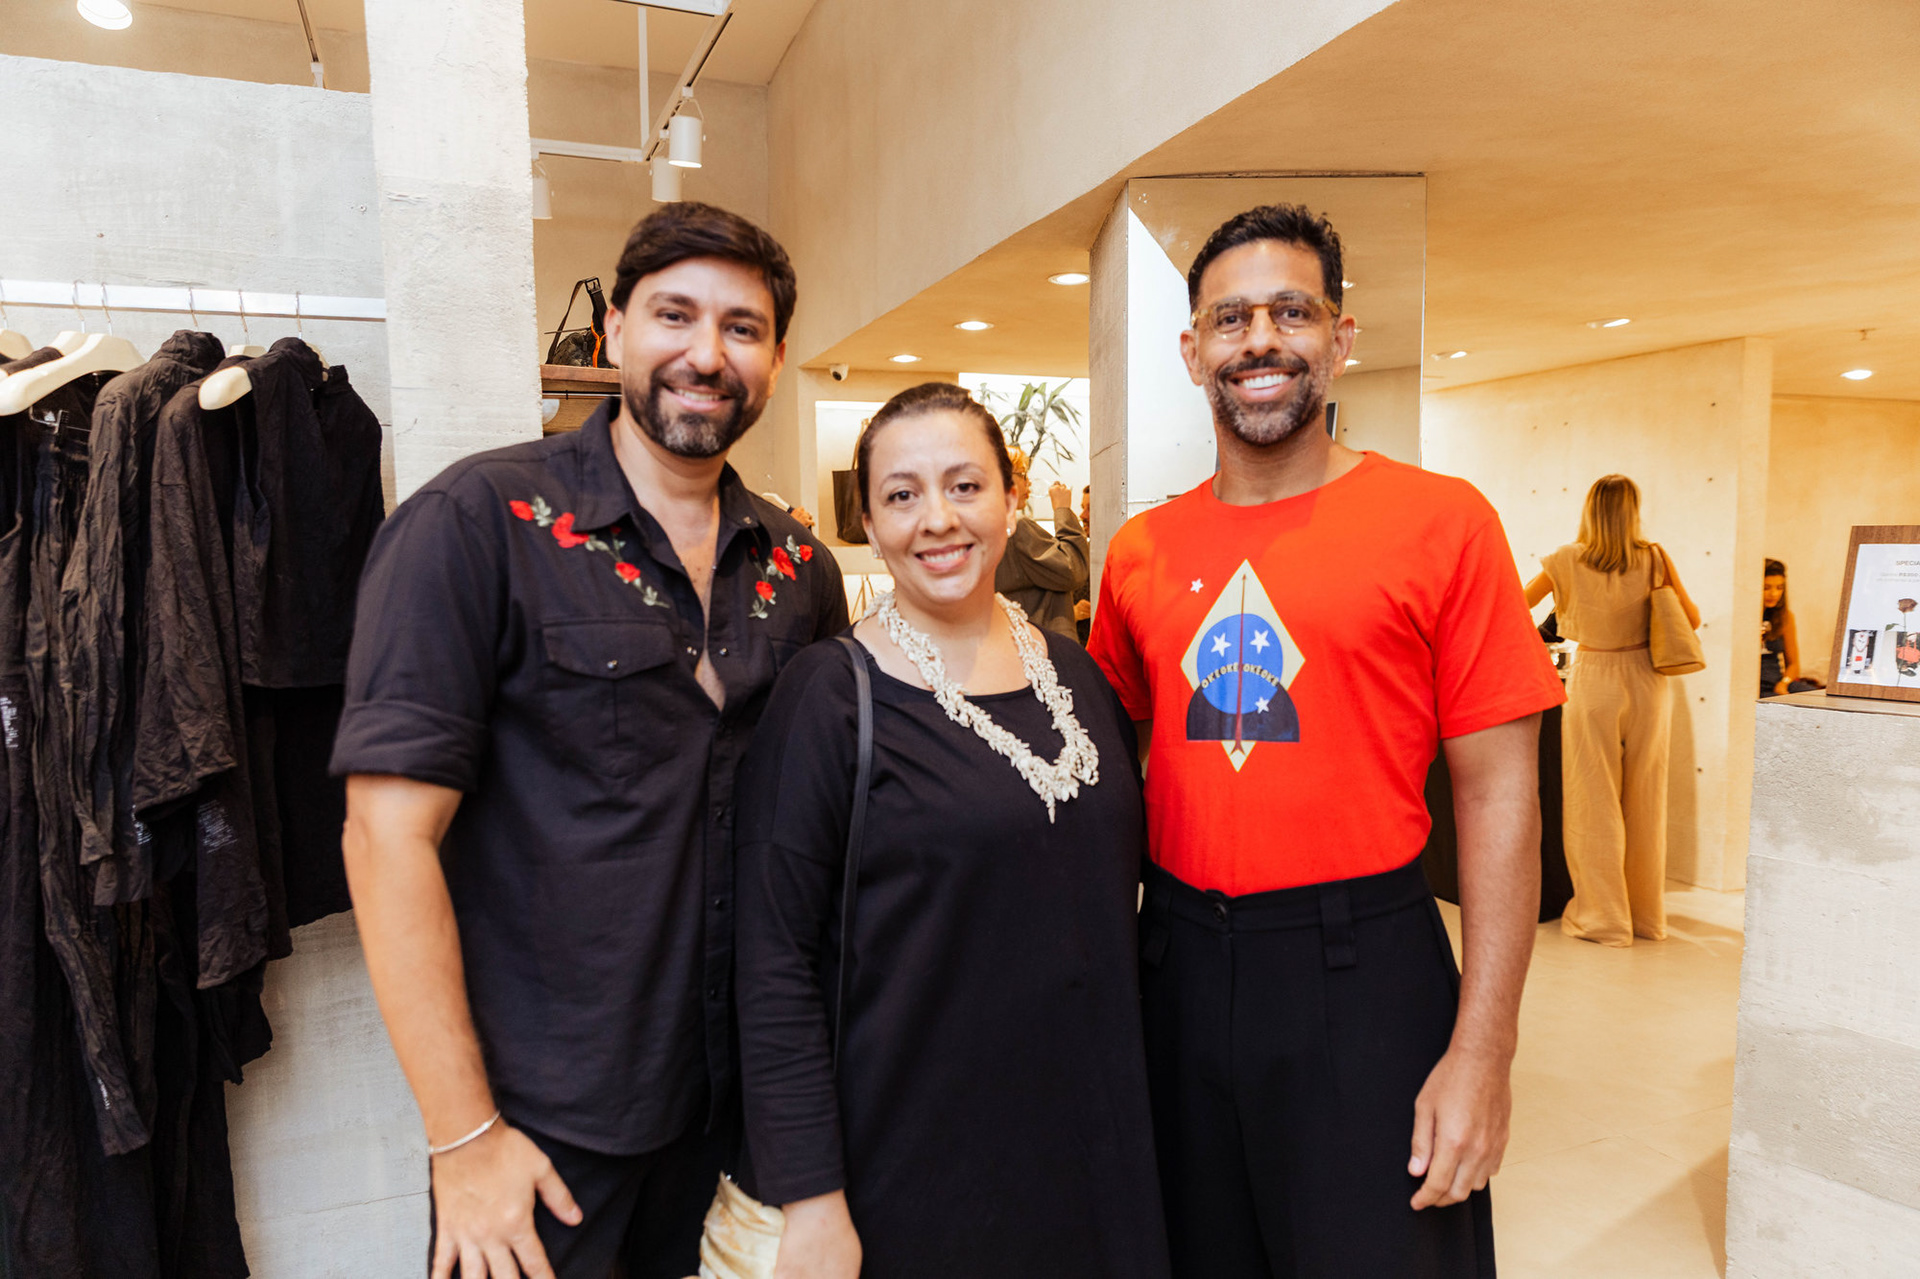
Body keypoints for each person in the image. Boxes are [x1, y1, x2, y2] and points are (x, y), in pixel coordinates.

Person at [331, 203, 848, 1279]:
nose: (707, 354)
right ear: (614, 329)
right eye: (675, 314)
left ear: (776, 357)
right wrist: (464, 1137)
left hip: (733, 1119)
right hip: (540, 1134)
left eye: (743, 328)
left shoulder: (801, 569)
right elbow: (385, 838)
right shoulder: (477, 521)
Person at [1089, 203, 1564, 1278]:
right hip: (1175, 967)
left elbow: (1501, 796)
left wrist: (1484, 1050)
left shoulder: (1443, 523)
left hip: (1363, 972)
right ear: (1192, 351)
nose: (1260, 340)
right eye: (1231, 318)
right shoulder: (1141, 552)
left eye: (1291, 312)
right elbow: (1103, 774)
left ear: (1341, 337)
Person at [734, 382, 1170, 1279]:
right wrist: (811, 1195)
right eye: (902, 494)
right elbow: (773, 960)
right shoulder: (830, 696)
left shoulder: (1079, 677)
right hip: (914, 1166)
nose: (938, 518)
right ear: (870, 521)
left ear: (1011, 497)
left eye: (965, 486)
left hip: (1098, 1151)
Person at [1523, 475, 1696, 946]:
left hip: (1595, 675)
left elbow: (1515, 607)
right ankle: (1645, 918)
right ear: (1634, 510)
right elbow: (1691, 618)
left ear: (1589, 509)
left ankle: (1603, 919)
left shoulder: (1564, 560)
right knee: (1646, 799)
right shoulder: (1653, 557)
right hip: (1648, 679)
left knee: (1591, 799)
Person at [992, 449, 1089, 640]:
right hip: (1045, 641)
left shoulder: (990, 529)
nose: (1028, 482)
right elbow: (1073, 569)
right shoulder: (1018, 528)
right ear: (1004, 478)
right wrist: (1062, 509)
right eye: (1023, 475)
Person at [1760, 558, 1821, 697]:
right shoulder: (1744, 618)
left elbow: (1793, 664)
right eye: (1766, 588)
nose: (1774, 594)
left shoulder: (1784, 617)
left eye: (1779, 588)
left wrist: (1784, 682)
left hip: (1778, 682)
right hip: (1754, 685)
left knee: (1817, 698)